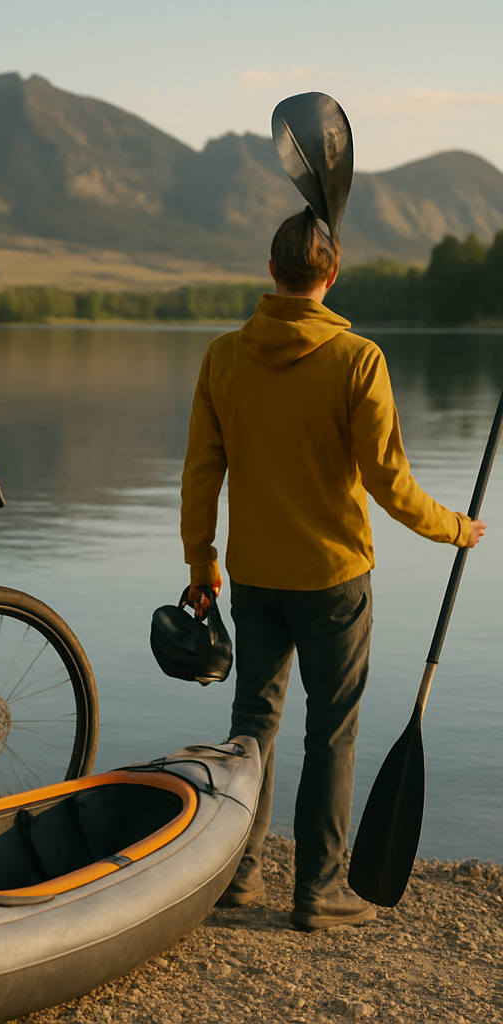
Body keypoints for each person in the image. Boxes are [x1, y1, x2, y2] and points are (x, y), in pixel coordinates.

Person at [179, 207, 486, 932]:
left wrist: (202, 560)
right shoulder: (358, 359)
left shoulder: (223, 356)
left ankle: (240, 874)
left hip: (252, 577)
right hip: (335, 583)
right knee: (332, 731)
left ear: (271, 272)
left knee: (252, 727)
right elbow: (390, 483)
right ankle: (319, 888)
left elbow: (201, 471)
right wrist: (455, 530)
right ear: (332, 275)